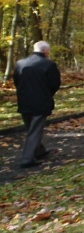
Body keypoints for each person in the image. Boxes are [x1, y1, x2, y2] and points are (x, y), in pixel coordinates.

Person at [13, 41, 61, 169]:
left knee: (32, 128)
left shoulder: (20, 63)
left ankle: (40, 151)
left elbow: (16, 81)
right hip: (41, 102)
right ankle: (27, 159)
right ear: (45, 51)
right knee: (34, 130)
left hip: (24, 101)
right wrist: (47, 94)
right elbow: (55, 84)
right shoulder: (49, 65)